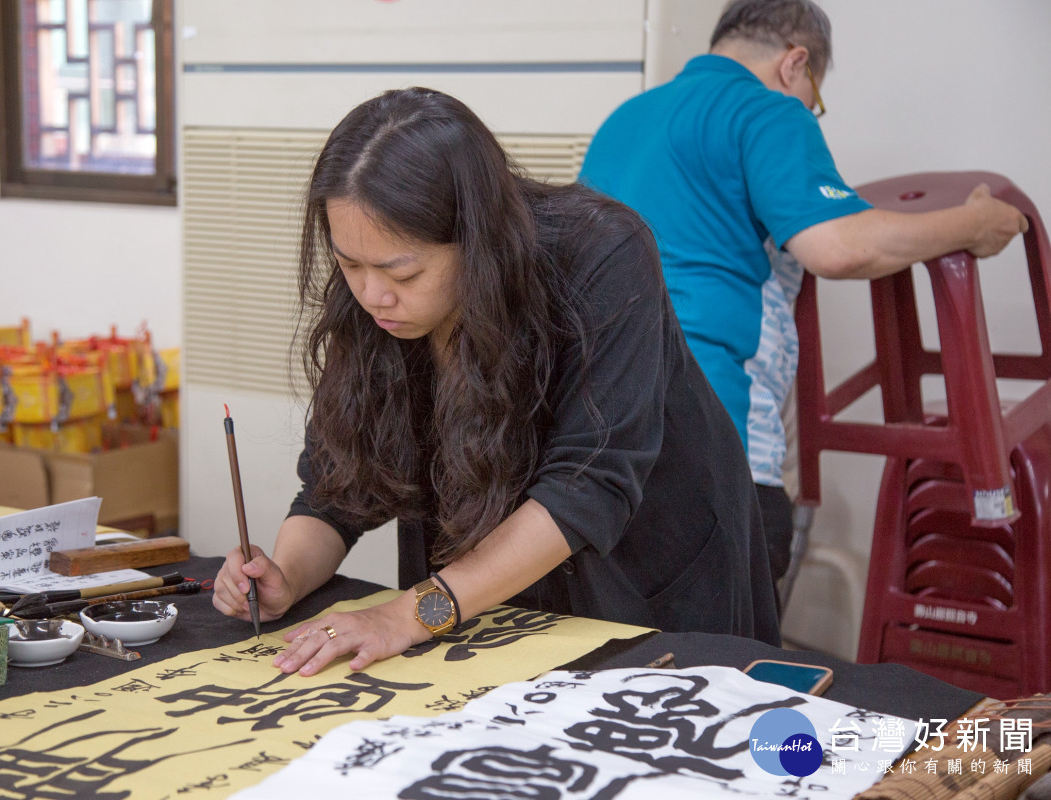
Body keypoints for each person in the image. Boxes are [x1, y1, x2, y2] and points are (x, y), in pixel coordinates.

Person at [213, 87, 780, 677]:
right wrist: (286, 574)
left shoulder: (603, 253)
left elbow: (584, 491)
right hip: (480, 606)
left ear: (476, 238)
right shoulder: (375, 298)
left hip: (639, 581)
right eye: (349, 265)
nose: (372, 295)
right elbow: (334, 489)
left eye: (401, 270)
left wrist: (408, 615)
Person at [578, 0, 1028, 597]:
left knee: (624, 663)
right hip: (709, 437)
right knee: (726, 670)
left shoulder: (624, 120)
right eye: (815, 96)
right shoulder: (766, 111)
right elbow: (839, 246)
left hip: (600, 437)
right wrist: (971, 226)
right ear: (795, 64)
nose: (810, 112)